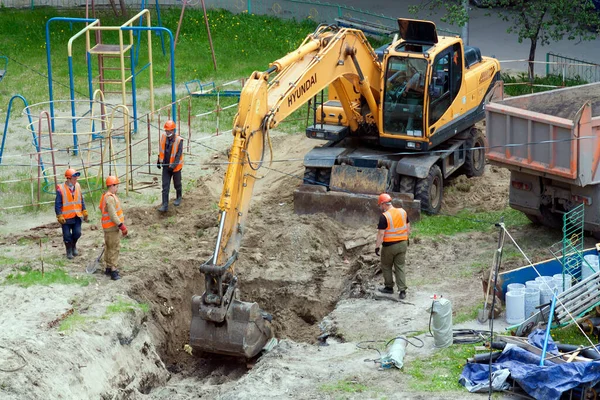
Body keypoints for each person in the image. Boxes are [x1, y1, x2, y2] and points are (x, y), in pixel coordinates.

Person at [375, 193, 411, 299]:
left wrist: (377, 247)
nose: (380, 208)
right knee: (400, 266)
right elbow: (408, 228)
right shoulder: (402, 211)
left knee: (386, 266)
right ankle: (402, 291)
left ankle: (389, 287)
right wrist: (406, 238)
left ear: (383, 204)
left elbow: (381, 234)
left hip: (389, 246)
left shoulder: (384, 216)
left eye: (380, 205)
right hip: (403, 243)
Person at [55, 168, 88, 259]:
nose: (75, 181)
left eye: (76, 179)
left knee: (77, 233)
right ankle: (69, 250)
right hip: (66, 218)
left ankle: (73, 246)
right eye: (74, 179)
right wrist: (59, 215)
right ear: (68, 179)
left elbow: (81, 199)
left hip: (77, 215)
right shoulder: (61, 189)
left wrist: (84, 210)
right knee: (67, 236)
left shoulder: (77, 186)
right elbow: (58, 204)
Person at [99, 176, 128, 281]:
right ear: (111, 186)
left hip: (107, 227)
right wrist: (121, 226)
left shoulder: (105, 196)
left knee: (108, 247)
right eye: (116, 186)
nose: (117, 188)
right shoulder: (110, 198)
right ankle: (113, 270)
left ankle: (107, 267)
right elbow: (112, 214)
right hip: (112, 227)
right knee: (114, 248)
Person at [156, 120, 184, 212]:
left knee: (177, 184)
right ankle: (165, 205)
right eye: (166, 131)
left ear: (173, 130)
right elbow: (161, 149)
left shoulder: (179, 140)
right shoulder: (163, 137)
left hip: (175, 167)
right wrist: (159, 161)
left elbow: (178, 154)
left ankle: (179, 197)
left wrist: (173, 165)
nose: (167, 132)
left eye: (169, 131)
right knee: (165, 186)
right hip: (165, 166)